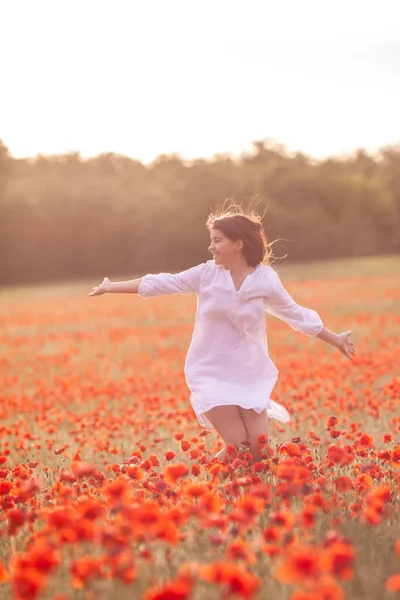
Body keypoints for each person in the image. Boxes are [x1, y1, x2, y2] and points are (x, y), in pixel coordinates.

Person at [89, 205, 356, 463]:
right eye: (211, 240)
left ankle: (231, 493)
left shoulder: (265, 279)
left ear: (238, 244)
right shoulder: (206, 275)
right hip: (211, 371)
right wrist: (111, 286)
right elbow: (161, 282)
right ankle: (199, 485)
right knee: (239, 449)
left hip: (250, 373)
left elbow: (295, 313)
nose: (211, 246)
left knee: (259, 452)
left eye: (217, 240)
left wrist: (336, 339)